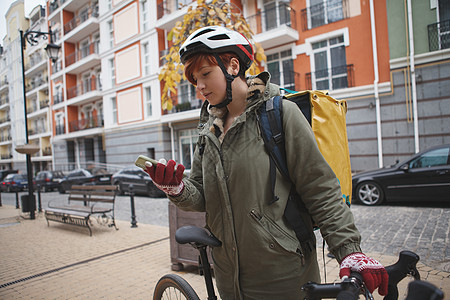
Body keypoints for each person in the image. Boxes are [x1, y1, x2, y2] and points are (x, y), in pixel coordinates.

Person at [146, 26, 388, 299]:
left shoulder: (279, 114)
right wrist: (175, 188)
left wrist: (350, 251)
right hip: (227, 274)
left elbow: (319, 187)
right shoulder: (208, 132)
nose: (199, 86)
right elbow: (202, 196)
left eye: (205, 74)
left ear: (233, 66)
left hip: (283, 275)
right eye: (194, 79)